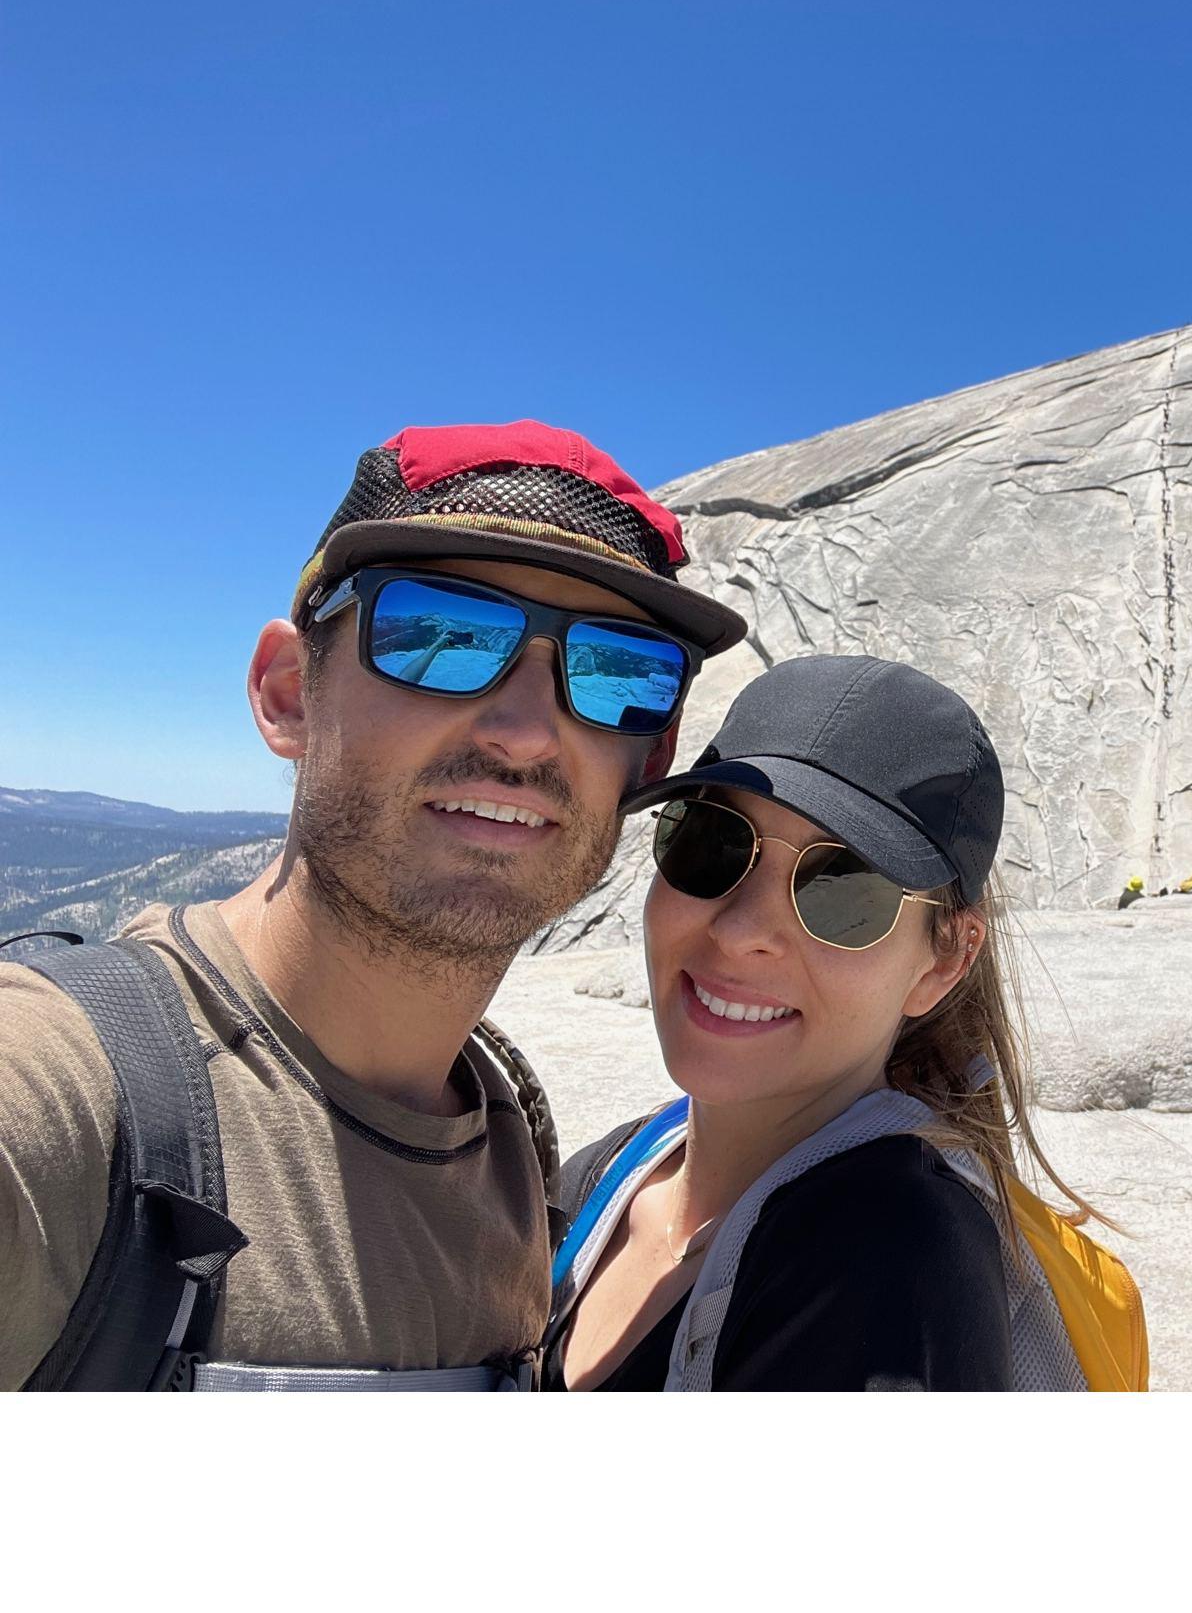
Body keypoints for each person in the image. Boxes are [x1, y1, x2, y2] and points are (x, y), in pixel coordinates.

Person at [0, 420, 744, 1391]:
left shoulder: (506, 1136)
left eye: (617, 671)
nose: (528, 732)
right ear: (287, 694)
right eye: (439, 635)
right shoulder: (57, 1100)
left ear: (649, 758)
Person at [543, 655, 1119, 1391]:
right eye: (712, 841)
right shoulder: (613, 1171)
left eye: (843, 886)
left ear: (944, 960)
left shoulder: (889, 1257)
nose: (742, 930)